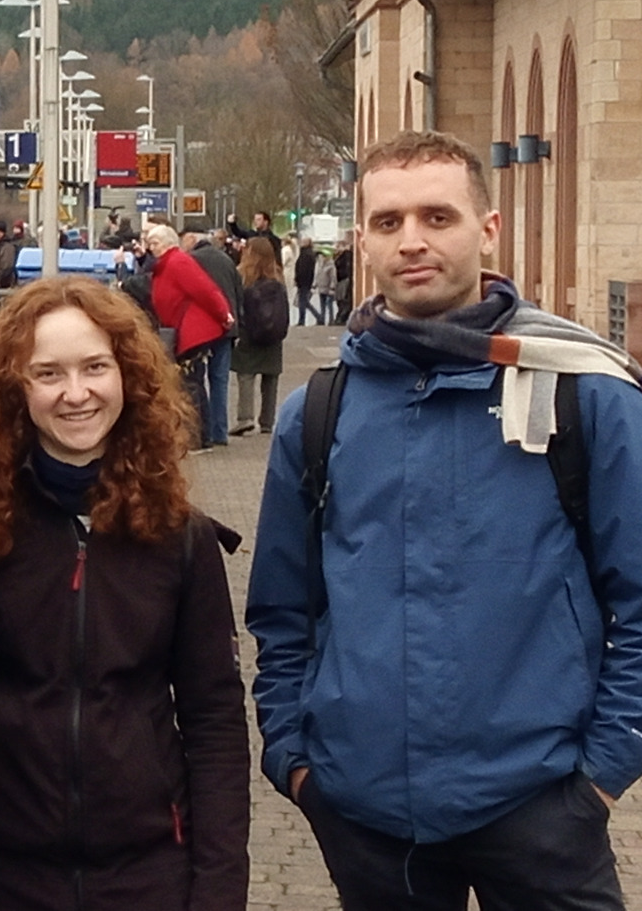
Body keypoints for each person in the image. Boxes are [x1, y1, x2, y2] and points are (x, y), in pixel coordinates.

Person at [247, 129, 642, 910]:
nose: (412, 241)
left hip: (542, 803)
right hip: (365, 810)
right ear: (362, 239)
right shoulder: (320, 409)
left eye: (437, 216)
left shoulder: (585, 393)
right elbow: (282, 607)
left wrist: (603, 772)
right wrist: (296, 760)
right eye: (388, 221)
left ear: (488, 229)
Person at [0, 276, 250, 910]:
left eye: (95, 367)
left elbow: (214, 720)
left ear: (127, 375)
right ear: (16, 388)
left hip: (146, 875)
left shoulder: (181, 538)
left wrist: (218, 888)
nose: (76, 393)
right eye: (48, 373)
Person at [144, 224, 233, 452]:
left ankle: (199, 436)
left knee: (191, 382)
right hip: (187, 330)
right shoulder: (167, 264)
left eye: (154, 243)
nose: (151, 248)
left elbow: (206, 290)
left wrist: (224, 315)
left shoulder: (177, 262)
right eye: (149, 243)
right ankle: (200, 435)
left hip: (194, 331)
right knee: (192, 381)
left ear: (168, 243)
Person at [187, 230, 243, 449]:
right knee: (220, 380)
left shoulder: (192, 261)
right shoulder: (227, 260)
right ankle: (220, 431)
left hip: (203, 329)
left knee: (197, 379)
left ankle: (205, 429)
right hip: (227, 328)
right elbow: (238, 294)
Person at [228, 237, 288, 436]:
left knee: (246, 374)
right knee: (270, 377)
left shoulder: (243, 275)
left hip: (249, 334)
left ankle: (245, 418)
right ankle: (267, 421)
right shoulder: (277, 275)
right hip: (273, 335)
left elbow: (237, 304)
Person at [292, 235, 320, 326]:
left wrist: (298, 279)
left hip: (304, 281)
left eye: (303, 241)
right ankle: (318, 317)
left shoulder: (306, 254)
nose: (301, 243)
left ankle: (302, 320)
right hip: (306, 281)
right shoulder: (307, 253)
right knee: (305, 302)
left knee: (302, 302)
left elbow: (303, 269)